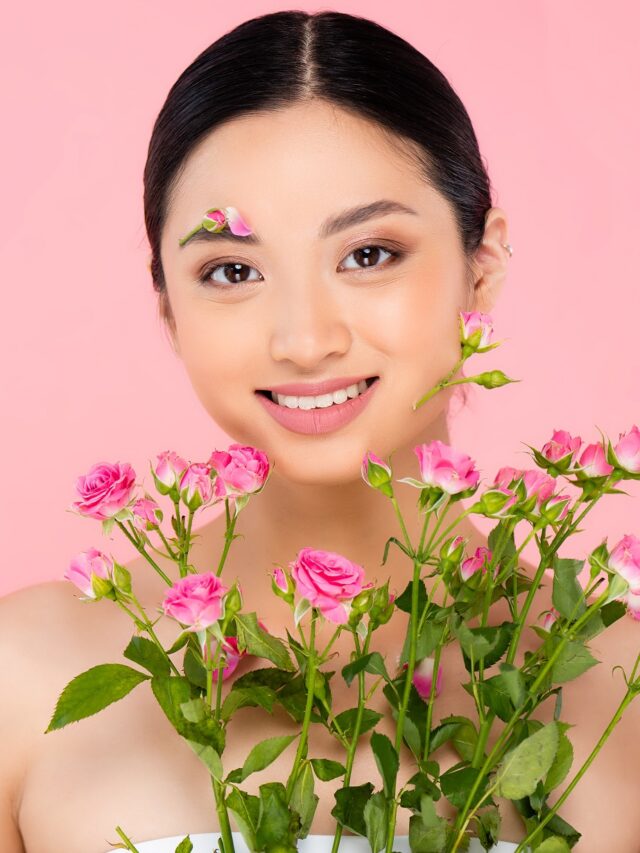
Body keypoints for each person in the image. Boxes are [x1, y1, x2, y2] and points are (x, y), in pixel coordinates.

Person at [1, 10, 637, 853]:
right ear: (166, 303)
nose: (304, 339)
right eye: (232, 270)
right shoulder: (25, 676)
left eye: (369, 254)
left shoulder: (616, 688)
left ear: (482, 266)